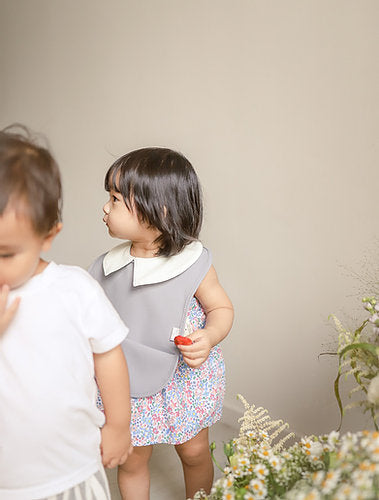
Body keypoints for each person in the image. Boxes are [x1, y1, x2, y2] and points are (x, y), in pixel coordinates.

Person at [89, 147, 234, 499]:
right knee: (132, 461)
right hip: (128, 383)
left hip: (182, 379)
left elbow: (222, 309)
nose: (105, 208)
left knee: (194, 451)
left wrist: (209, 336)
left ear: (160, 210)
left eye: (115, 199)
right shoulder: (108, 267)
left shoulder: (193, 263)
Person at [0, 126, 133, 500]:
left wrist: (119, 424)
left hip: (70, 468)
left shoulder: (73, 289)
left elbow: (108, 355)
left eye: (5, 254)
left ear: (47, 236)